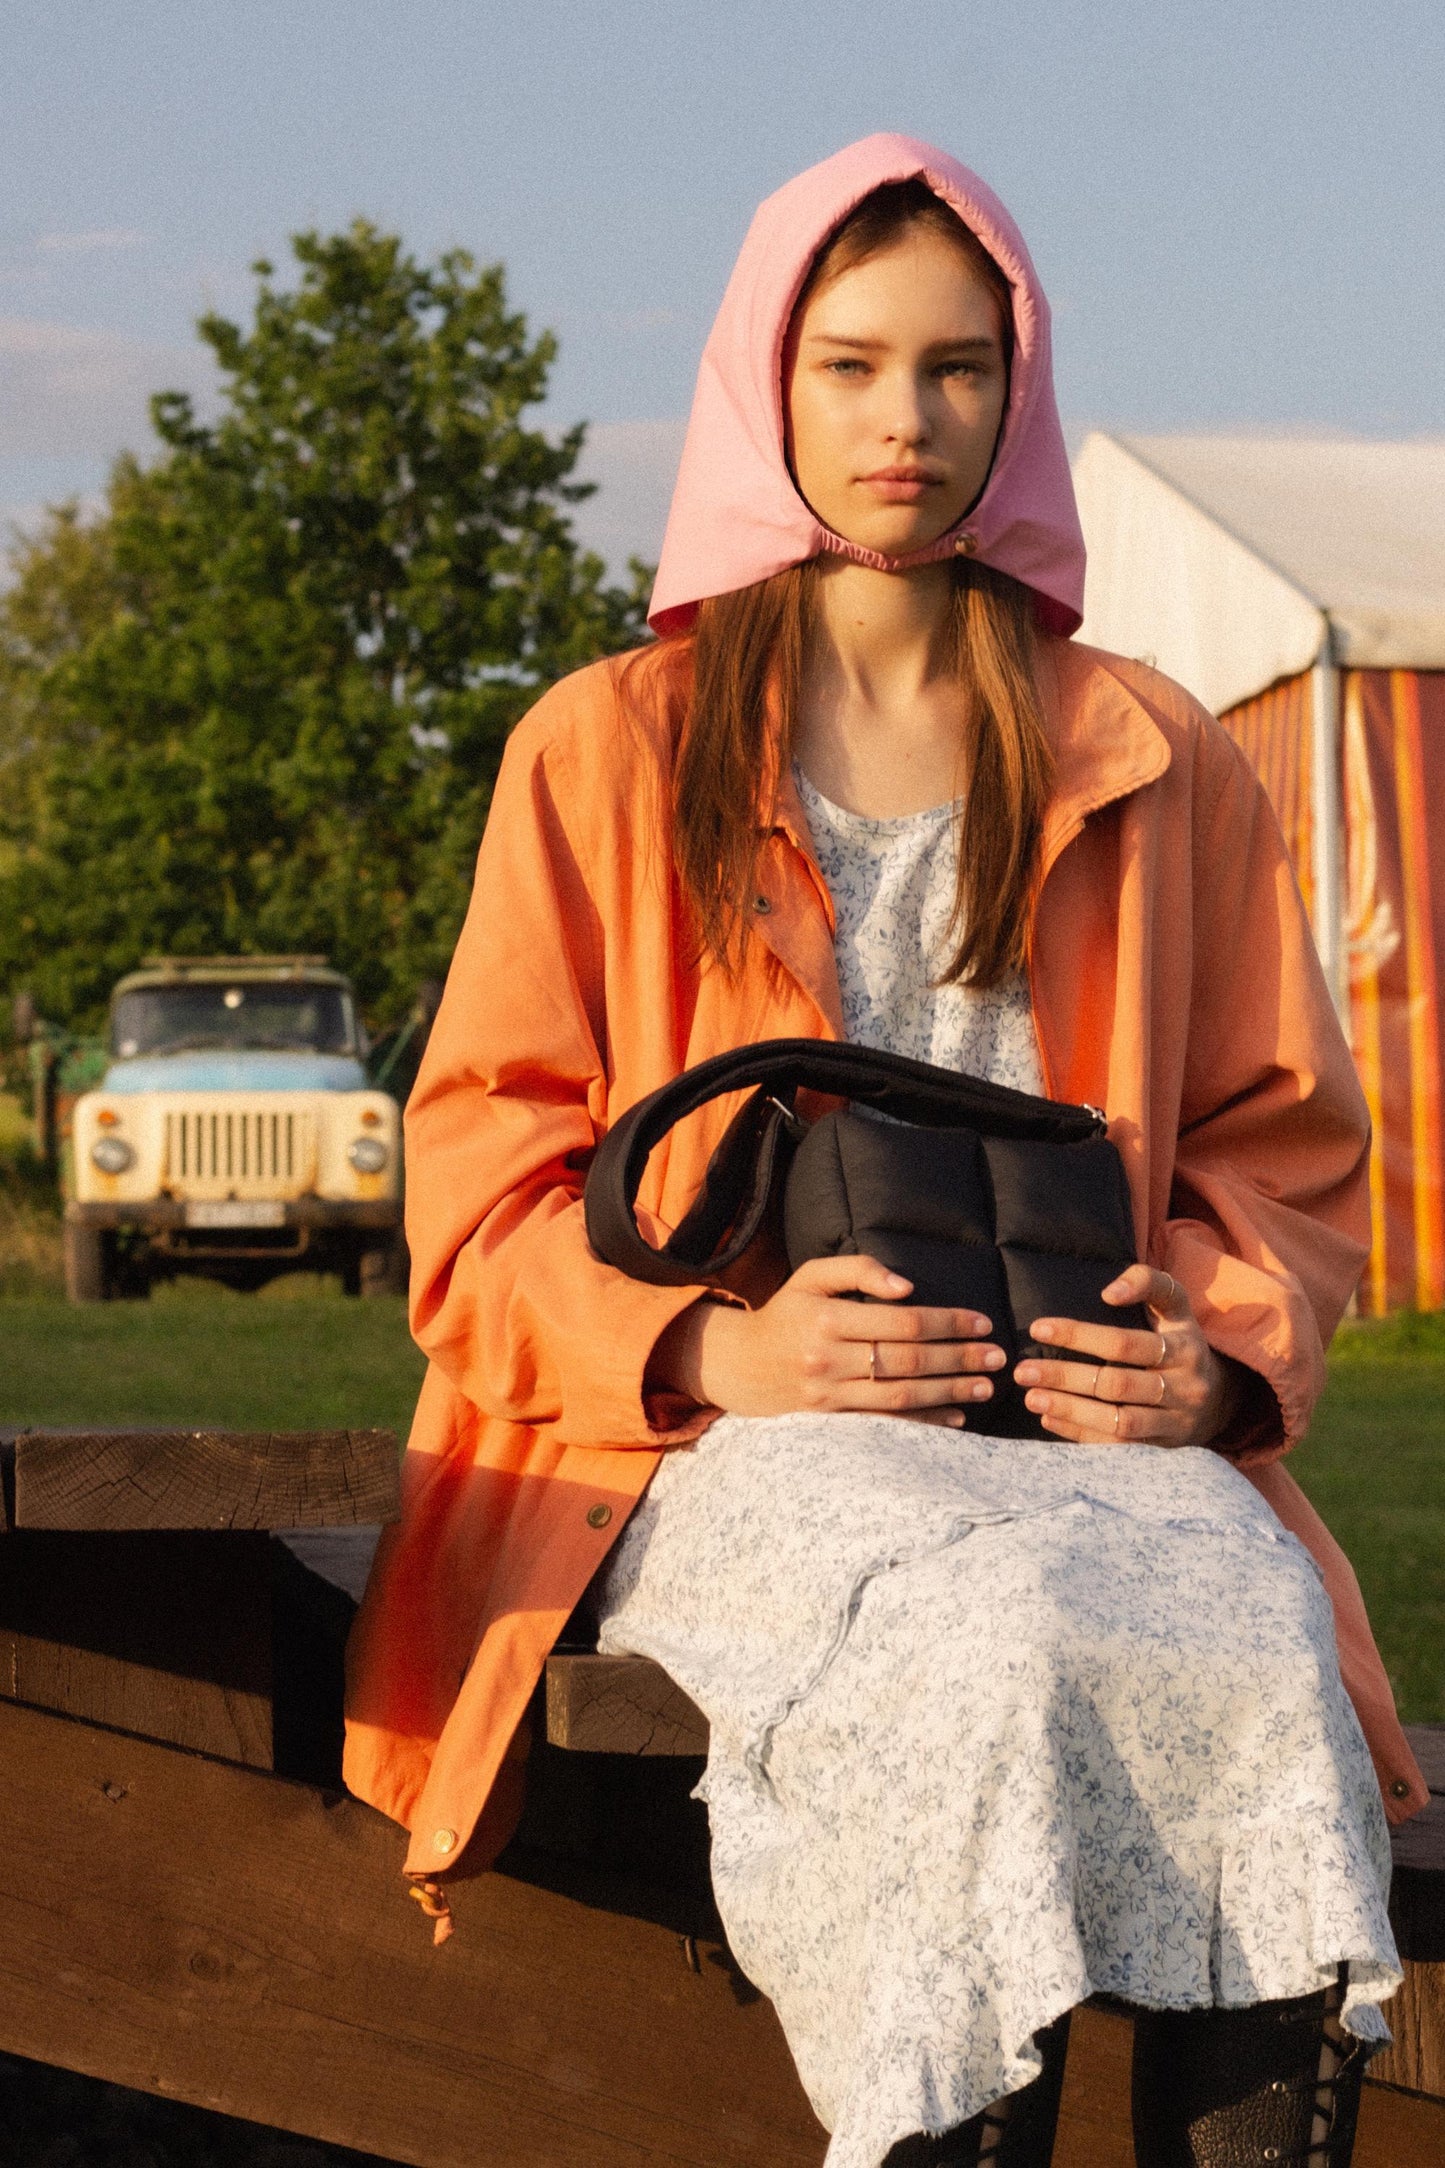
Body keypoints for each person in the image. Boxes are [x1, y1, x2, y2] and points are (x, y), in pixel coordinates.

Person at [345, 137, 1427, 2167]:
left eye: (953, 368)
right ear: (765, 385)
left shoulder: (1155, 750)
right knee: (970, 1641)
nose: (901, 421)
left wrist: (1205, 1361)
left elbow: (1279, 1151)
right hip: (717, 1447)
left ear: (1019, 394)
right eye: (847, 365)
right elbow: (480, 1186)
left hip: (1092, 1450)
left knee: (1260, 1636)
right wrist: (713, 1346)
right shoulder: (609, 744)